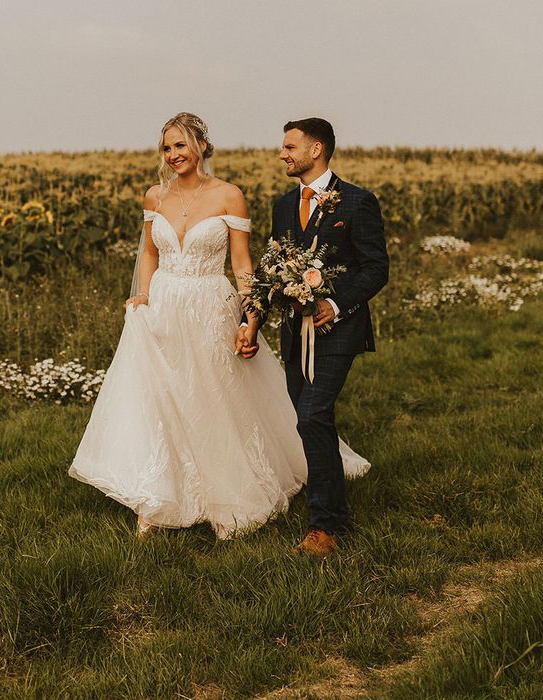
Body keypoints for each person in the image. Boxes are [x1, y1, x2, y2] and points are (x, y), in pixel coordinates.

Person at [68, 112, 369, 541]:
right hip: (165, 305)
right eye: (167, 147)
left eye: (181, 145)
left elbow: (242, 264)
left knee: (211, 397)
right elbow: (150, 254)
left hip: (210, 303)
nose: (173, 155)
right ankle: (158, 495)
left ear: (202, 146)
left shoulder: (229, 196)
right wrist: (144, 294)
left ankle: (224, 489)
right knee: (162, 397)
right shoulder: (155, 196)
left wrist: (251, 317)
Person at [261, 117, 389, 556]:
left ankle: (326, 528)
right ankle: (330, 502)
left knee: (313, 415)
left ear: (316, 150)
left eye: (289, 146)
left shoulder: (356, 202)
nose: (282, 154)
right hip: (294, 333)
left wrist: (334, 305)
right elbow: (272, 270)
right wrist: (255, 318)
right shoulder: (281, 206)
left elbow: (376, 268)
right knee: (309, 417)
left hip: (339, 329)